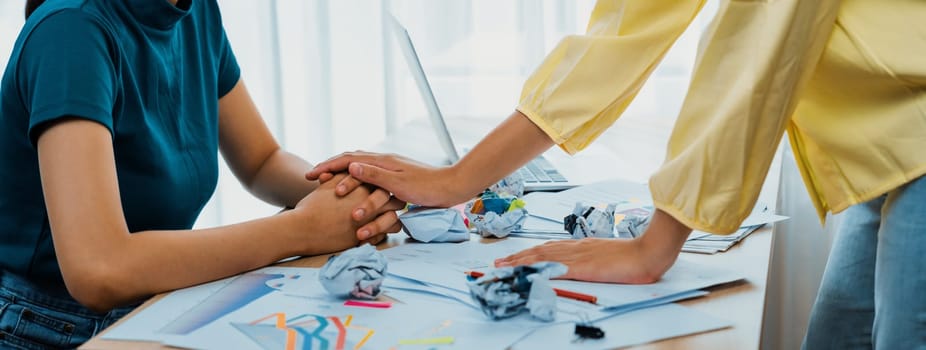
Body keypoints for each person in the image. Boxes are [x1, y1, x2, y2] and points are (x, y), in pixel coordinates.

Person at [307, 0, 926, 348]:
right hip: (902, 140)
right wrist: (459, 179)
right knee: (838, 335)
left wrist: (656, 245)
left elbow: (756, 55)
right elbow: (625, 32)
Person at [0, 0, 403, 348]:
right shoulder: (71, 31)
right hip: (49, 327)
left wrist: (347, 190)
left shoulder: (194, 11)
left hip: (151, 303)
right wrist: (304, 228)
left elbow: (262, 160)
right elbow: (98, 270)